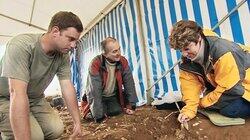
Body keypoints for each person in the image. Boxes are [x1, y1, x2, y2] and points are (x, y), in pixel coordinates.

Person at [0, 11, 83, 140]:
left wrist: (77, 122)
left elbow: (67, 86)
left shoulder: (63, 55)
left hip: (35, 98)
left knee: (56, 130)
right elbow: (16, 93)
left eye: (76, 41)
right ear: (55, 31)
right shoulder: (21, 46)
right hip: (5, 99)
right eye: (71, 39)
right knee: (34, 137)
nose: (73, 45)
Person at [168, 20, 250, 123]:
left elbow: (231, 89)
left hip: (244, 87)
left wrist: (201, 103)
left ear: (198, 38)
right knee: (216, 101)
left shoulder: (223, 52)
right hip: (233, 87)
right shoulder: (187, 60)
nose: (184, 54)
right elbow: (189, 86)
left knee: (230, 109)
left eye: (187, 49)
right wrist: (189, 110)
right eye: (181, 50)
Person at [82, 37, 138, 123]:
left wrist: (131, 105)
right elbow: (94, 91)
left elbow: (129, 84)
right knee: (97, 114)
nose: (118, 53)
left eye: (119, 49)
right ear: (105, 54)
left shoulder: (123, 61)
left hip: (112, 96)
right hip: (99, 96)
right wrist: (98, 116)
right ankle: (89, 110)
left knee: (116, 111)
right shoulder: (95, 64)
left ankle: (103, 109)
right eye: (114, 51)